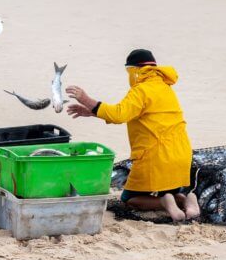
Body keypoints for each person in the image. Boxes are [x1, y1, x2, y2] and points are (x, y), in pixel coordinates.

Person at [65, 49, 199, 222]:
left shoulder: (141, 90)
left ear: (135, 70)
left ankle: (165, 203)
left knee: (129, 199)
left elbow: (119, 114)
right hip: (181, 155)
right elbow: (131, 114)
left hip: (156, 157)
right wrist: (92, 112)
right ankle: (186, 200)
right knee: (169, 188)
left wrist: (86, 99)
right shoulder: (165, 88)